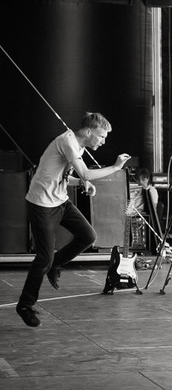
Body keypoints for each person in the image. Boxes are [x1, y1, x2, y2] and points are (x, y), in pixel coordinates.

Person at [16, 112, 131, 327]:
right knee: (43, 258)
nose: (104, 141)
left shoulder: (79, 146)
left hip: (60, 201)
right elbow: (87, 173)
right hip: (41, 204)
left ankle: (56, 264)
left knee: (88, 236)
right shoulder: (68, 142)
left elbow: (64, 176)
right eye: (102, 136)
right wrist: (115, 168)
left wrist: (81, 183)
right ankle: (24, 305)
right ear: (88, 132)